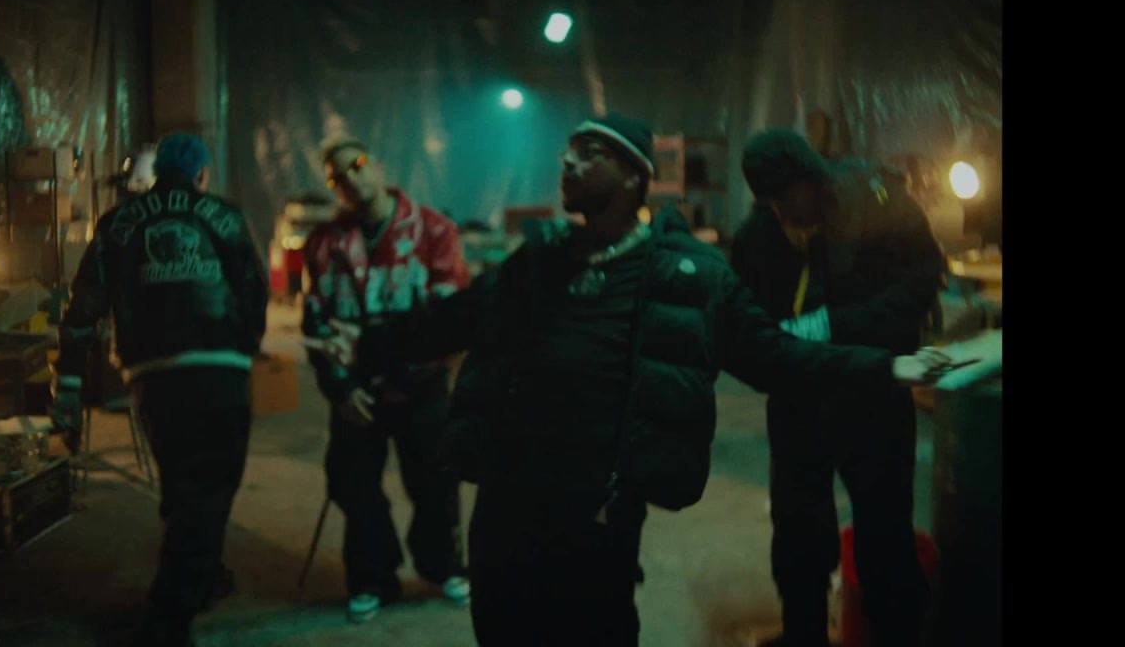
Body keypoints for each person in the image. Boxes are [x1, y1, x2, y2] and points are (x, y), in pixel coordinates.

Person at [306, 115, 950, 647]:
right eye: (568, 150)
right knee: (502, 627)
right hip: (507, 504)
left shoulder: (686, 275)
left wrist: (890, 366)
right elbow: (454, 320)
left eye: (590, 152)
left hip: (599, 512)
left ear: (633, 175)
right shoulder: (538, 260)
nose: (568, 161)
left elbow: (773, 355)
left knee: (598, 629)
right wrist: (366, 343)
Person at [51, 133, 268, 647]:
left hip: (152, 375)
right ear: (201, 175)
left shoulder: (116, 223)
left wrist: (70, 383)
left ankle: (204, 578)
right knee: (210, 488)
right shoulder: (226, 216)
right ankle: (168, 621)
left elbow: (83, 306)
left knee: (182, 482)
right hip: (219, 367)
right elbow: (255, 289)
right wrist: (245, 344)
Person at [729, 129, 944, 647]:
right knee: (798, 533)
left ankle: (894, 634)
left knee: (885, 533)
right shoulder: (761, 234)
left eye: (789, 196)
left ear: (813, 178)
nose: (784, 212)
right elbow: (746, 324)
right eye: (772, 202)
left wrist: (833, 325)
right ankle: (804, 634)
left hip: (874, 396)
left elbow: (921, 283)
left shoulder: (878, 205)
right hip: (801, 402)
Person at [301, 136, 472, 623]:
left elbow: (451, 318)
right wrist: (340, 389)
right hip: (355, 391)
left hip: (422, 387)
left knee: (436, 482)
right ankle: (372, 577)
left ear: (376, 164)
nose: (350, 179)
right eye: (337, 177)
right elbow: (315, 322)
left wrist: (399, 368)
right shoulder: (323, 243)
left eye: (356, 165)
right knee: (353, 485)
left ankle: (442, 566)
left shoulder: (433, 230)